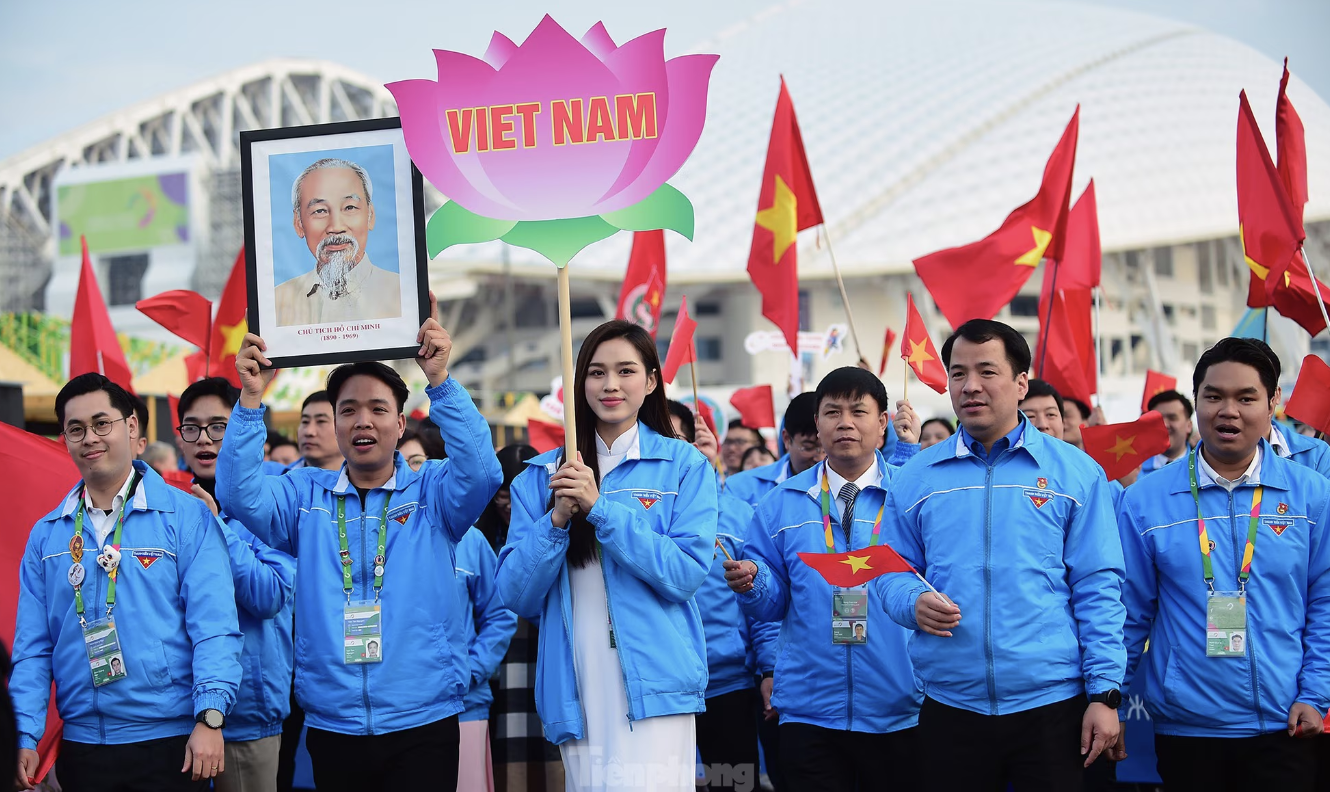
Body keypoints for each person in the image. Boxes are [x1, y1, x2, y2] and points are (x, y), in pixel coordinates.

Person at [216, 295, 502, 792]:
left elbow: (481, 472)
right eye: (348, 410)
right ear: (337, 423)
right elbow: (239, 493)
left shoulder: (433, 492)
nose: (362, 421)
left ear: (400, 423)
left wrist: (440, 381)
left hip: (423, 716)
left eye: (377, 409)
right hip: (333, 721)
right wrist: (249, 400)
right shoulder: (304, 495)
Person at [878, 319, 1124, 791]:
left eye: (987, 371)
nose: (970, 386)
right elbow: (890, 569)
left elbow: (1099, 588)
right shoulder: (917, 475)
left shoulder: (1075, 473)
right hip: (951, 705)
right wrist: (910, 601)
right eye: (957, 373)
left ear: (1020, 383)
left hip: (1053, 705)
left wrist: (1105, 694)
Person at [496, 320, 717, 791]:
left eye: (625, 371)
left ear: (651, 381)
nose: (610, 384)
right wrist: (555, 520)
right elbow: (515, 592)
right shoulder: (539, 477)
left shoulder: (684, 466)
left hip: (655, 678)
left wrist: (600, 510)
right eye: (596, 372)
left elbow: (684, 574)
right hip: (577, 677)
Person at [12, 373, 242, 791]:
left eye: (102, 423)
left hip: (170, 742)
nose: (90, 438)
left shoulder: (185, 517)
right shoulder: (46, 534)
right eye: (76, 429)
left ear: (131, 426)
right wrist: (25, 734)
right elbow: (32, 649)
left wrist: (210, 717)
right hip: (83, 745)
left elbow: (214, 628)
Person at [1117, 337, 1330, 788]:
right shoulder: (1145, 502)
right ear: (1197, 402)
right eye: (1213, 396)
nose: (1227, 410)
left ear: (1273, 402)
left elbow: (1325, 602)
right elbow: (1127, 614)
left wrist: (1315, 694)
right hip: (1187, 729)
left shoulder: (1312, 495)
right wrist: (1107, 697)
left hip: (1286, 724)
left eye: (1245, 397)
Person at [723, 366, 922, 791]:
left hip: (900, 709)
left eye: (858, 411)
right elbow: (770, 604)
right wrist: (754, 582)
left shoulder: (913, 496)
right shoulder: (780, 503)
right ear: (817, 423)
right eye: (832, 412)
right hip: (810, 711)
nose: (845, 422)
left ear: (883, 422)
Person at [177, 377, 296, 792]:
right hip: (174, 715)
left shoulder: (272, 500)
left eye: (219, 426)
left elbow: (270, 595)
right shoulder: (163, 504)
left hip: (246, 716)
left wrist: (216, 528)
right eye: (191, 428)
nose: (204, 440)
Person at [669, 399, 770, 792]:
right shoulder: (633, 513)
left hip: (727, 680)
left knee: (734, 784)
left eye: (685, 440)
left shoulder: (735, 512)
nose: (678, 451)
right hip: (662, 685)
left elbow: (761, 603)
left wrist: (769, 669)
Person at [478, 444, 566, 792]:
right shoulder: (480, 533)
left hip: (544, 633)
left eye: (515, 494)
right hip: (501, 651)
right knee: (508, 729)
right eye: (501, 495)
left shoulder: (554, 516)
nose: (509, 504)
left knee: (550, 730)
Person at [274, 158, 401, 327]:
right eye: (319, 211)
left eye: (349, 207)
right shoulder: (276, 303)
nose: (336, 226)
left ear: (370, 216)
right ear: (298, 224)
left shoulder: (403, 295)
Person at [454, 525, 518, 792]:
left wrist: (470, 672)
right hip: (385, 711)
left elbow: (501, 614)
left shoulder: (469, 539)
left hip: (463, 707)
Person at [725, 392, 824, 508]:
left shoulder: (846, 486)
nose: (820, 458)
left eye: (827, 448)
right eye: (809, 447)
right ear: (787, 439)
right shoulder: (741, 487)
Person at [1139, 390, 1194, 476]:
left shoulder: (1203, 469)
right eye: (1157, 419)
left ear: (1189, 426)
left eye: (1172, 418)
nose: (1164, 425)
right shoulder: (1133, 472)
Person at [291, 391, 343, 470]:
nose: (309, 432)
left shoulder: (363, 480)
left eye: (321, 421)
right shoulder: (279, 479)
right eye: (305, 421)